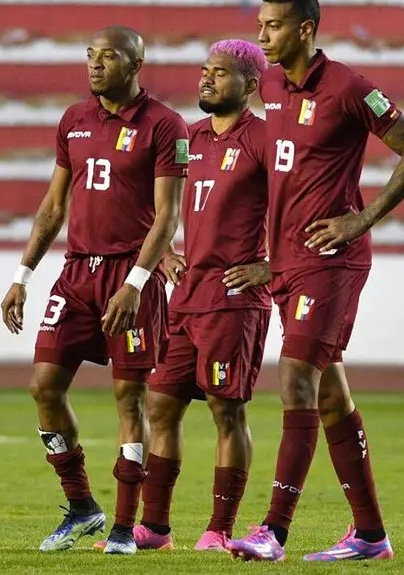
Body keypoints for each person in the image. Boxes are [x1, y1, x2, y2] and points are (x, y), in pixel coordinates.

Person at [227, 0, 404, 562]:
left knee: (294, 375)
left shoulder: (349, 88)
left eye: (274, 26)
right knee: (330, 396)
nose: (263, 34)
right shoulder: (268, 86)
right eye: (262, 24)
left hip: (333, 260)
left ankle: (274, 531)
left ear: (306, 29)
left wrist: (360, 219)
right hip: (288, 261)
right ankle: (370, 534)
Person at [0, 25, 189, 555]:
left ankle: (125, 529)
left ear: (135, 64)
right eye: (90, 55)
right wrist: (22, 276)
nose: (96, 65)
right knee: (43, 386)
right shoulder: (73, 119)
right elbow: (54, 207)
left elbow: (167, 218)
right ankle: (82, 506)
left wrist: (136, 283)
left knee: (130, 401)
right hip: (77, 272)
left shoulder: (166, 126)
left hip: (131, 275)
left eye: (109, 57)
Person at [128, 39, 272, 554]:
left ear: (250, 85)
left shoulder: (264, 141)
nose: (207, 80)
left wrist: (271, 265)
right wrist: (163, 251)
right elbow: (155, 206)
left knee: (225, 411)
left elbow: (301, 207)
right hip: (184, 297)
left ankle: (218, 530)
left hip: (233, 300)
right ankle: (156, 528)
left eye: (221, 73)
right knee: (162, 407)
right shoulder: (187, 139)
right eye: (205, 71)